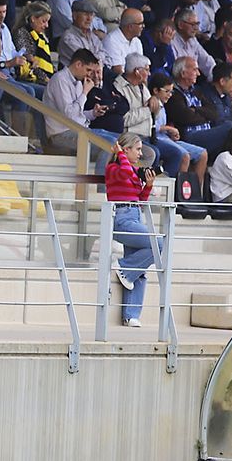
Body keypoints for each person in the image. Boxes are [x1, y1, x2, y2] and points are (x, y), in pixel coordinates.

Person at [105, 132, 158, 327]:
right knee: (158, 243)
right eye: (137, 150)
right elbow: (125, 172)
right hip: (121, 218)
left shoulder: (133, 172)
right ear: (125, 150)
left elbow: (140, 201)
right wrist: (119, 155)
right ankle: (124, 268)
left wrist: (148, 185)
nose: (140, 154)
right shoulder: (114, 169)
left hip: (135, 216)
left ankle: (131, 314)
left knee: (141, 270)